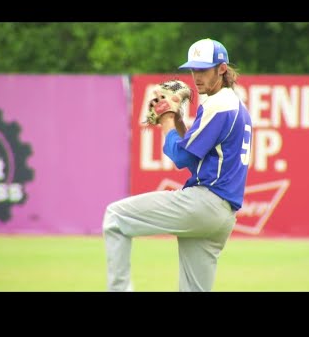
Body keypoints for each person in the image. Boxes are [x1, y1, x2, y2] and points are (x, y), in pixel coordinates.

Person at [102, 38, 252, 292]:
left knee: (115, 217)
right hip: (223, 215)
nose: (196, 77)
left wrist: (166, 119)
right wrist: (180, 123)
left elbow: (180, 158)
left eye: (203, 69)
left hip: (205, 203)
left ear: (222, 69)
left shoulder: (218, 105)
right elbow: (196, 162)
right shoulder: (234, 105)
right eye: (193, 70)